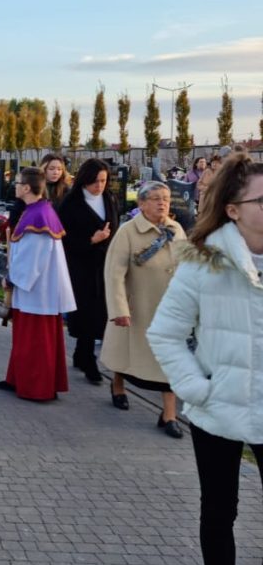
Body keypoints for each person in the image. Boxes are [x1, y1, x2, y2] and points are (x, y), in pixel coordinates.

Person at [147, 154, 263, 565]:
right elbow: (166, 334)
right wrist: (199, 389)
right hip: (219, 412)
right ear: (234, 210)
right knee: (220, 513)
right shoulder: (204, 262)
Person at [101, 181, 186, 436]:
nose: (162, 203)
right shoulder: (128, 232)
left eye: (166, 199)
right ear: (141, 204)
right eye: (156, 198)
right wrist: (119, 308)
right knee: (126, 352)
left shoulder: (176, 229)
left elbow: (187, 265)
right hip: (138, 305)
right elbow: (114, 273)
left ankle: (169, 415)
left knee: (170, 359)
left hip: (170, 308)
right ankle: (118, 384)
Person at [0, 166, 76, 402]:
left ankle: (37, 388)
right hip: (37, 289)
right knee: (25, 337)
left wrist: (11, 278)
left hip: (37, 291)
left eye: (18, 183)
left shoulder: (37, 217)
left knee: (36, 340)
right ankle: (17, 379)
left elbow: (32, 259)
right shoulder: (37, 211)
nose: (15, 187)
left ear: (27, 188)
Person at [58, 158, 120, 384]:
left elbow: (115, 225)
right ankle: (87, 358)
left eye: (103, 181)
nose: (99, 186)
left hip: (104, 263)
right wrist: (91, 240)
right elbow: (64, 238)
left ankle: (81, 352)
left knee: (99, 310)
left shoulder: (109, 198)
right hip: (80, 265)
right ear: (84, 180)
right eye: (95, 181)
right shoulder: (71, 203)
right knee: (86, 311)